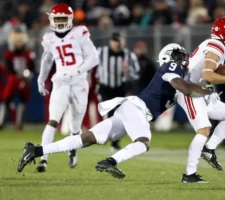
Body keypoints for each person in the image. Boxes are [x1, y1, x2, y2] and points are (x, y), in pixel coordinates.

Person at [17, 43, 212, 181]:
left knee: (86, 139)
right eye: (178, 55)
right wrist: (208, 89)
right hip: (137, 109)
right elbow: (186, 89)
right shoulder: (171, 67)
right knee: (143, 143)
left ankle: (35, 151)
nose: (183, 59)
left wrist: (205, 90)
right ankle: (110, 161)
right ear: (168, 58)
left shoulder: (179, 77)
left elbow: (188, 91)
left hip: (131, 110)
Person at [176, 17, 225, 183]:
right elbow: (207, 75)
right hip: (189, 91)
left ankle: (209, 148)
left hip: (201, 91)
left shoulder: (217, 46)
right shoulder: (217, 45)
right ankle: (189, 175)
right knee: (204, 129)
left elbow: (206, 77)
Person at [35, 3, 99, 172]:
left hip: (79, 82)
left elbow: (94, 58)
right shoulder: (49, 38)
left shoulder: (79, 33)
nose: (61, 22)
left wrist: (76, 71)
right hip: (60, 82)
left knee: (75, 127)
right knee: (53, 120)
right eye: (58, 19)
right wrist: (41, 79)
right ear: (52, 19)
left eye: (64, 18)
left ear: (70, 19)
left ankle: (72, 150)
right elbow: (47, 59)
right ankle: (43, 158)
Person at [96, 32, 140, 151]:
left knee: (119, 115)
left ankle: (114, 141)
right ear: (110, 42)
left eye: (119, 41)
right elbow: (91, 65)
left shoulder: (129, 55)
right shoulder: (101, 52)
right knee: (108, 113)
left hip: (120, 87)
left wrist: (128, 70)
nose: (117, 43)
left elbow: (136, 74)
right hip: (105, 87)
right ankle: (105, 136)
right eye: (115, 41)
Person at [0, 27, 35, 130]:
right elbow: (8, 68)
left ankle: (19, 124)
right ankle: (1, 122)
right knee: (7, 100)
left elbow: (32, 68)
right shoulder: (9, 54)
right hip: (13, 79)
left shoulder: (28, 54)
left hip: (24, 79)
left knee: (23, 100)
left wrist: (27, 76)